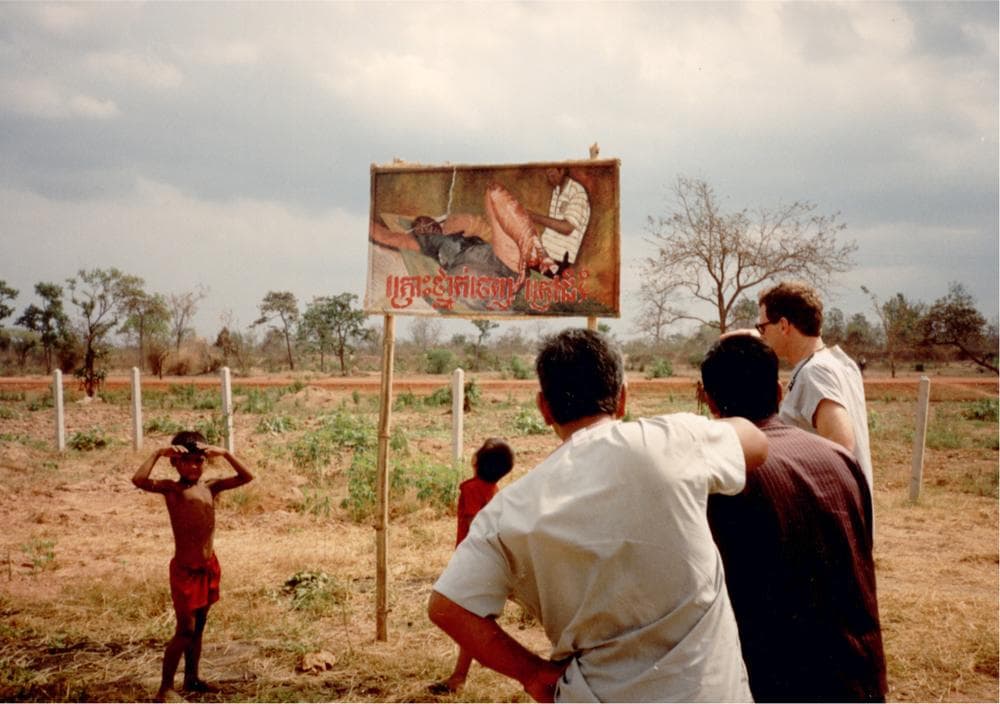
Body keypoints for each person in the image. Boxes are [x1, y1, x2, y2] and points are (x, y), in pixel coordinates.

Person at [428, 328, 767, 702]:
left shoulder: (508, 509)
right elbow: (755, 442)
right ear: (622, 398)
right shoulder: (673, 440)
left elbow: (446, 606)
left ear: (544, 409)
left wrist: (531, 672)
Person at [700, 334, 887, 702]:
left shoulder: (726, 477)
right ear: (778, 392)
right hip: (858, 672)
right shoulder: (840, 459)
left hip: (780, 680)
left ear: (709, 400)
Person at [131, 431, 254, 703]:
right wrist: (157, 453)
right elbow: (138, 480)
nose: (193, 467)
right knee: (184, 630)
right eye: (186, 461)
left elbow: (247, 477)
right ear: (175, 462)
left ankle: (192, 678)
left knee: (198, 627)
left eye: (199, 461)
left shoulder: (211, 487)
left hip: (208, 568)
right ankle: (165, 688)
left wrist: (225, 453)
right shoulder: (172, 489)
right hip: (185, 572)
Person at [756, 280, 874, 492]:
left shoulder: (815, 372)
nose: (761, 335)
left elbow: (841, 446)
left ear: (783, 325)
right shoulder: (840, 363)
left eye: (762, 327)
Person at [429, 437, 515, 694]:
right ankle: (460, 675)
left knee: (459, 615)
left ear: (476, 461)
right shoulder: (495, 490)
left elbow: (473, 524)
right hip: (486, 560)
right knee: (474, 615)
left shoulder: (471, 489)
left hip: (471, 560)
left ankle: (463, 672)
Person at [529, 167, 591, 275]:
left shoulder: (577, 192)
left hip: (560, 259)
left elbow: (567, 228)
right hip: (545, 254)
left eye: (552, 175)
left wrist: (533, 217)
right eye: (548, 176)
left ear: (562, 171)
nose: (550, 179)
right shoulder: (556, 190)